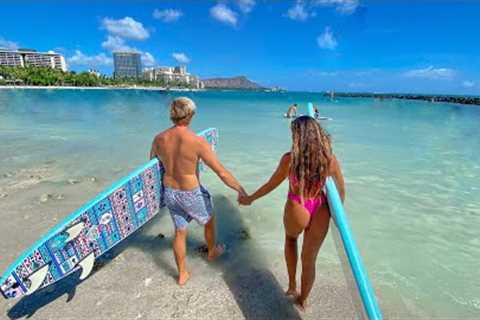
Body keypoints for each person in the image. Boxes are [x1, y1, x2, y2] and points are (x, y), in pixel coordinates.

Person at [239, 116, 345, 311]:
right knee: (310, 258)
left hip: (298, 205)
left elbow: (271, 184)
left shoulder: (290, 160)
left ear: (298, 137)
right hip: (321, 207)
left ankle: (291, 286)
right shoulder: (330, 160)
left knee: (291, 240)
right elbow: (340, 191)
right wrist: (338, 220)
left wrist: (250, 198)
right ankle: (303, 300)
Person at [150, 97, 246, 286]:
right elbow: (222, 172)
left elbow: (152, 164)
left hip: (170, 192)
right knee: (209, 221)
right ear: (191, 115)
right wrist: (241, 190)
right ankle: (211, 251)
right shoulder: (198, 142)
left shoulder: (159, 139)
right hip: (191, 193)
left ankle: (182, 274)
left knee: (180, 231)